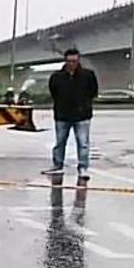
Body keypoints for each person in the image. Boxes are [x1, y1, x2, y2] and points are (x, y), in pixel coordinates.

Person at [43, 48, 98, 184]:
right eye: (69, 61)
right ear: (65, 61)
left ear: (78, 60)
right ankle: (57, 165)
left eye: (74, 61)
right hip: (62, 115)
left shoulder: (88, 75)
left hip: (82, 115)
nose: (71, 64)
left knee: (83, 143)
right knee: (60, 142)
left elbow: (93, 92)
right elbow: (53, 92)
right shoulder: (57, 77)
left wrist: (84, 104)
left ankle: (83, 168)